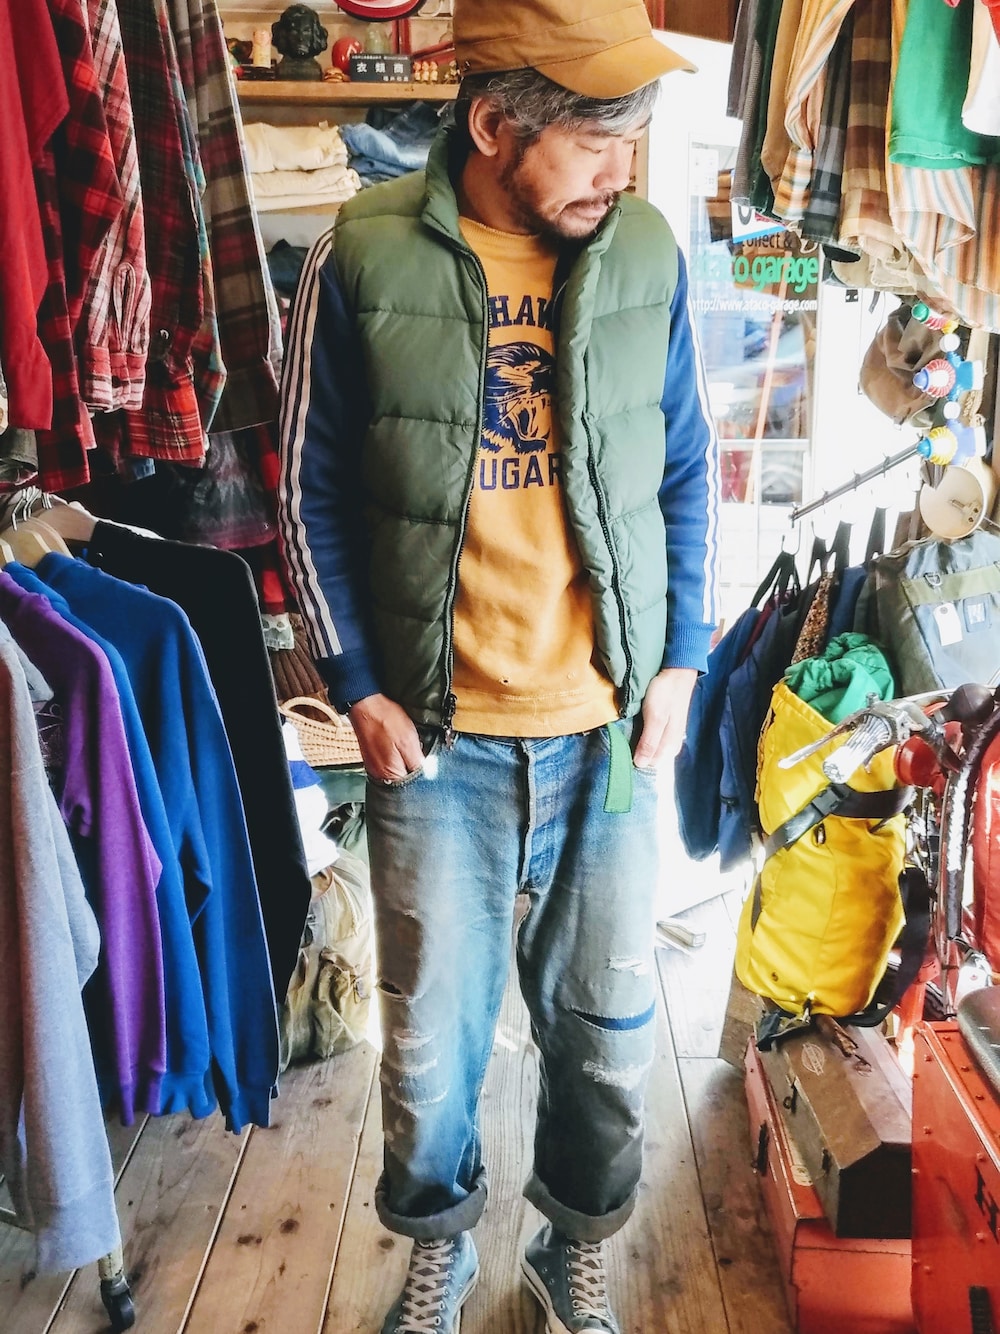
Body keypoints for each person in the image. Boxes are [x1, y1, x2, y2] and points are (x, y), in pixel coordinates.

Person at [277, 1, 720, 1329]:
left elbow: (686, 468)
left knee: (605, 1033)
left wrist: (683, 660)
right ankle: (439, 1244)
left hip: (605, 733)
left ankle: (570, 1241)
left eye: (633, 140)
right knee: (427, 1039)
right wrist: (354, 677)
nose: (622, 171)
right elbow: (304, 489)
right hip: (437, 743)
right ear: (493, 124)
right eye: (594, 141)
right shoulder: (359, 255)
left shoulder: (645, 253)